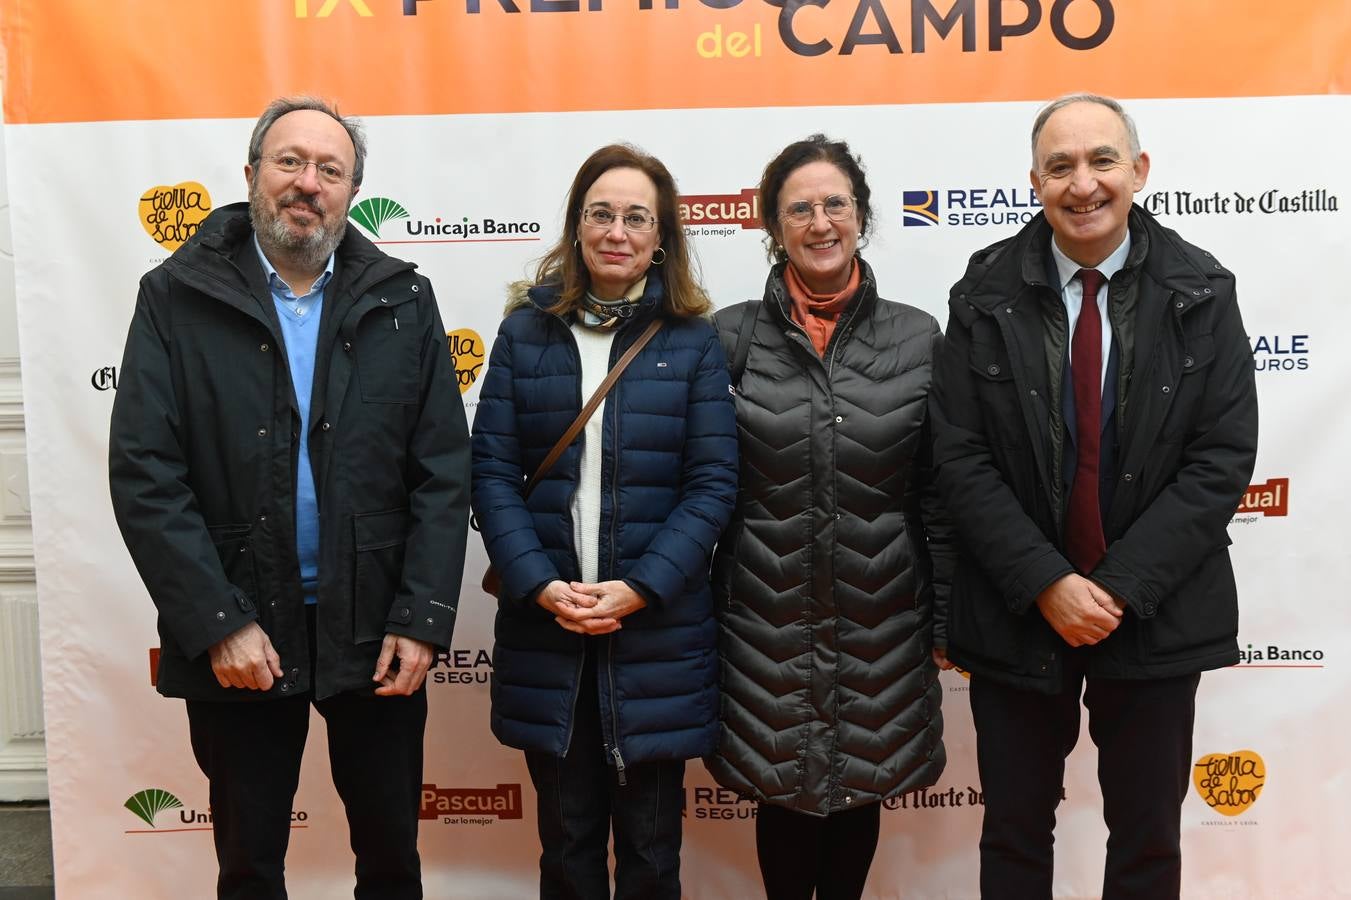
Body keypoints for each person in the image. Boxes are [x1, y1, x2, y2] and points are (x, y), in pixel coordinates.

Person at [108, 96, 470, 900]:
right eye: (290, 162)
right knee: (248, 867)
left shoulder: (404, 300)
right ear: (251, 174)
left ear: (350, 191)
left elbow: (443, 472)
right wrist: (219, 623)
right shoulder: (174, 296)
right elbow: (144, 470)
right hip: (242, 629)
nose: (308, 183)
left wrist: (420, 620)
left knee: (389, 861)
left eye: (329, 170)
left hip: (376, 630)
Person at [929, 93, 1259, 900]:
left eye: (1101, 160)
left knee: (1146, 841)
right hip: (1016, 610)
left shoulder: (1202, 292)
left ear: (1137, 171)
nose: (1082, 183)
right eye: (1060, 165)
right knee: (1012, 834)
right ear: (1034, 182)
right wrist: (1046, 582)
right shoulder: (980, 296)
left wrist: (1113, 589)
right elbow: (960, 457)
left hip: (1154, 606)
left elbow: (1220, 458)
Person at [471, 144, 738, 900]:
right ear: (576, 227)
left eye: (635, 217)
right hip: (546, 631)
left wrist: (641, 588)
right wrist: (538, 583)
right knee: (567, 850)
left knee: (652, 855)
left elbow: (712, 484)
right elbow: (490, 473)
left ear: (661, 239)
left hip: (654, 637)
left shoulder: (691, 342)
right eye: (600, 213)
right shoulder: (526, 334)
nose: (616, 231)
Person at [705, 134, 950, 900]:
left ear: (861, 216)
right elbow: (699, 486)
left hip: (881, 617)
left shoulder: (916, 338)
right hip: (762, 619)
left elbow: (938, 494)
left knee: (856, 789)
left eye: (834, 204)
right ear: (771, 226)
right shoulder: (728, 336)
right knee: (783, 792)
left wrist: (943, 620)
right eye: (799, 208)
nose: (819, 222)